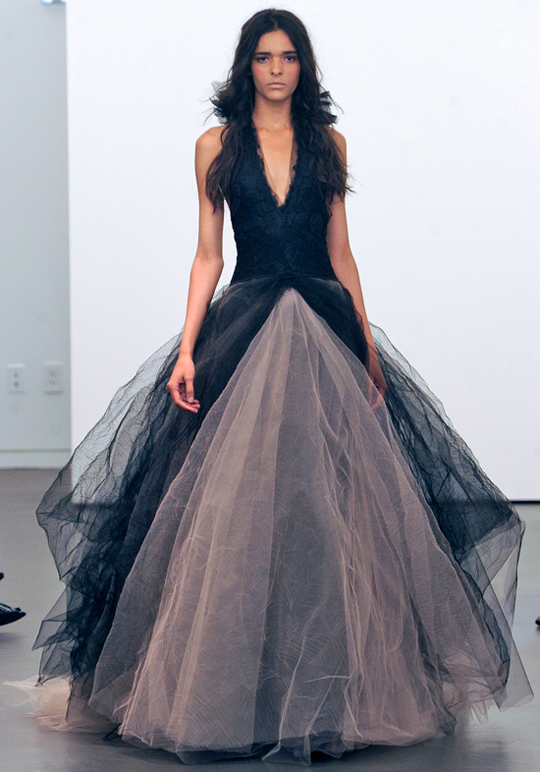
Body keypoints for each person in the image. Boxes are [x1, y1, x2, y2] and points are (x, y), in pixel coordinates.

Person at [13, 8, 532, 766]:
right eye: (264, 57)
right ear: (246, 66)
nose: (278, 69)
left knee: (335, 501)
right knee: (237, 501)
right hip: (247, 323)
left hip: (324, 323)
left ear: (303, 66)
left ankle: (335, 686)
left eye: (289, 57)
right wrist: (187, 349)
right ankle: (234, 687)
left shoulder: (330, 144)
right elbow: (207, 255)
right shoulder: (216, 147)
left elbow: (341, 252)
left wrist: (366, 343)